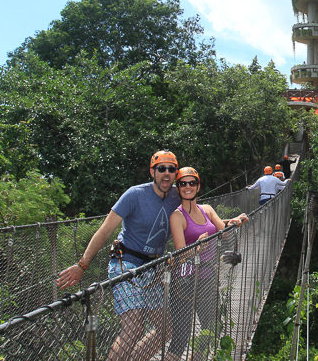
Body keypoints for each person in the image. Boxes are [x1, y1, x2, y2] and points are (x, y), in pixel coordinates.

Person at [56, 150, 182, 361]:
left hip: (153, 269)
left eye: (171, 169)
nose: (166, 173)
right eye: (162, 169)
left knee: (165, 329)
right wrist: (82, 265)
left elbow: (199, 213)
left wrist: (223, 223)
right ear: (153, 171)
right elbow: (105, 231)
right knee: (134, 326)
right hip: (126, 264)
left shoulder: (177, 195)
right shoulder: (135, 194)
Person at [167, 167, 248, 361]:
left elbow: (224, 231)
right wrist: (197, 248)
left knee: (210, 329)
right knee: (181, 337)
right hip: (184, 282)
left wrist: (236, 221)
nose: (188, 187)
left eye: (191, 183)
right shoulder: (176, 216)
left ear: (198, 185)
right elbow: (179, 254)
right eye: (183, 183)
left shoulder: (207, 210)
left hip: (207, 278)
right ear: (177, 188)